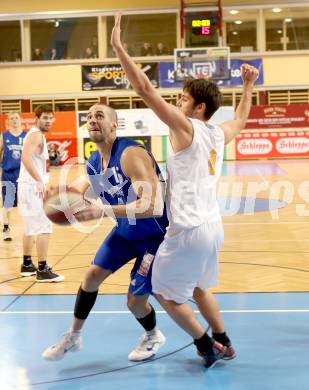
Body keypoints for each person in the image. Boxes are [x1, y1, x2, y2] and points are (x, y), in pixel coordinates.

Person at [111, 13, 258, 368]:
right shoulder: (218, 133)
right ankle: (225, 340)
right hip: (212, 227)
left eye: (182, 98)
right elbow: (240, 118)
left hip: (188, 229)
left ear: (198, 107)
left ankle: (207, 346)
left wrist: (118, 48)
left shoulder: (188, 128)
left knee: (163, 292)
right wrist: (248, 85)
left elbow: (145, 90)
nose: (177, 103)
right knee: (197, 287)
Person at [42, 103, 168, 361]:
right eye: (88, 117)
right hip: (125, 232)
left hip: (154, 237)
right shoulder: (94, 162)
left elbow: (153, 206)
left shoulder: (130, 153)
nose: (92, 120)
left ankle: (154, 335)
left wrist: (103, 211)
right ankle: (74, 337)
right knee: (90, 277)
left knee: (134, 302)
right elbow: (78, 191)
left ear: (114, 124)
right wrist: (57, 199)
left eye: (99, 115)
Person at [17, 105, 64, 282]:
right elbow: (25, 157)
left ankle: (27, 264)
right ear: (37, 118)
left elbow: (35, 162)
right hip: (31, 186)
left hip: (26, 185)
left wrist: (42, 180)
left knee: (30, 227)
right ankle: (43, 270)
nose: (48, 121)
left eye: (50, 118)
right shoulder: (36, 134)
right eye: (45, 117)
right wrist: (39, 180)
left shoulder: (35, 134)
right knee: (44, 226)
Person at [0, 112, 26, 241]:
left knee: (27, 204)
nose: (14, 120)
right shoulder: (3, 136)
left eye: (16, 118)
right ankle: (6, 229)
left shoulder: (26, 136)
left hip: (24, 177)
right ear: (8, 122)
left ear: (21, 120)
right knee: (8, 205)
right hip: (8, 175)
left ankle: (30, 229)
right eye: (11, 118)